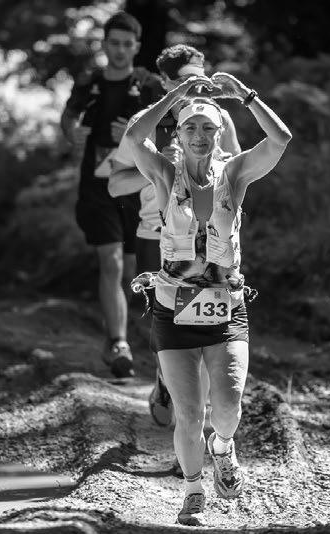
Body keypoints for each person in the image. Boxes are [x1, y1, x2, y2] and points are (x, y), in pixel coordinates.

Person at [126, 74, 291, 525]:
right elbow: (133, 137)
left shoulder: (234, 174)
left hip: (226, 307)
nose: (199, 136)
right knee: (188, 412)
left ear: (220, 134)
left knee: (228, 405)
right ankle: (193, 492)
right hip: (172, 309)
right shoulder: (164, 173)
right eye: (190, 128)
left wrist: (245, 95)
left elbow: (280, 140)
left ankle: (223, 446)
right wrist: (175, 96)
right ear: (178, 135)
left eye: (208, 128)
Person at [109, 44, 241, 428]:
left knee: (206, 324)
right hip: (156, 235)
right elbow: (116, 184)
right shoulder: (147, 123)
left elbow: (237, 173)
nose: (198, 88)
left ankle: (193, 416)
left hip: (210, 238)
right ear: (166, 82)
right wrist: (159, 170)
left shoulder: (219, 119)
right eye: (186, 81)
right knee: (169, 323)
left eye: (203, 79)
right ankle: (167, 380)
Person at [60, 12, 165, 378]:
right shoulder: (89, 82)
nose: (120, 50)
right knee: (112, 261)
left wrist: (136, 137)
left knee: (135, 271)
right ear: (104, 45)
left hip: (138, 188)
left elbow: (170, 133)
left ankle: (121, 338)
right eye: (114, 43)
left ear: (136, 47)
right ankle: (120, 342)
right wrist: (71, 132)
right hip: (98, 186)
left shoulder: (150, 86)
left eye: (127, 44)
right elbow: (68, 117)